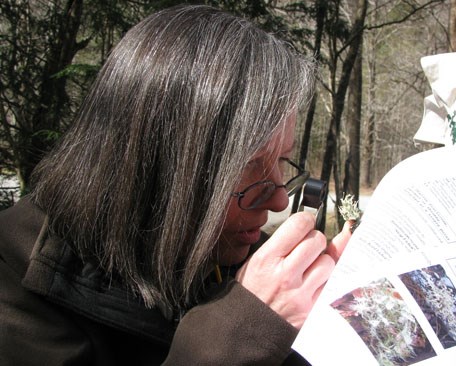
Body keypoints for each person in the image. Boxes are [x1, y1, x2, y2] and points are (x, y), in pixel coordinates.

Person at [0, 5, 352, 365]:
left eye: (280, 161)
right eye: (249, 166)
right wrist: (245, 329)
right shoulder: (16, 283)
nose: (279, 200)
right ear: (158, 166)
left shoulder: (218, 249)